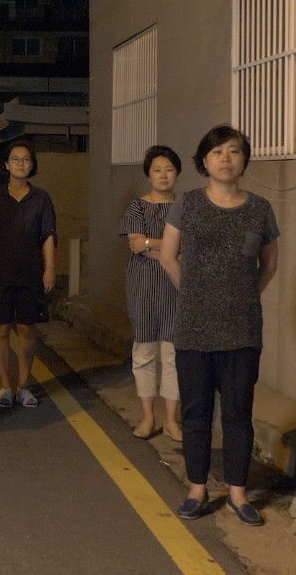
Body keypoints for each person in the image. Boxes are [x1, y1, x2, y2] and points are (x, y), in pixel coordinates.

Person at [159, 125, 279, 526]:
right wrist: (196, 294)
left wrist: (244, 295)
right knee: (196, 414)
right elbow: (168, 256)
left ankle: (238, 493)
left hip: (242, 329)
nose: (226, 158)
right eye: (217, 152)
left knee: (238, 414)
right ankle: (197, 489)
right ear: (204, 161)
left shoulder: (260, 208)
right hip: (194, 328)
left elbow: (270, 264)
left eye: (233, 151)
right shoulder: (188, 204)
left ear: (244, 159)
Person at [0, 139, 56, 408]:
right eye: (15, 159)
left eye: (26, 159)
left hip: (31, 271)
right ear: (6, 164)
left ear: (32, 165)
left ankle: (24, 386)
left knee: (26, 328)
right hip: (0, 271)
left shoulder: (41, 198)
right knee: (1, 328)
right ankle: (5, 386)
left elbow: (48, 236)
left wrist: (50, 269)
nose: (21, 164)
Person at [119, 144, 182, 441]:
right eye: (157, 170)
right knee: (144, 351)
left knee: (173, 353)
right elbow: (135, 244)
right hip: (143, 285)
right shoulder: (137, 206)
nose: (163, 174)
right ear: (148, 175)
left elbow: (189, 244)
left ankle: (171, 420)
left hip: (177, 285)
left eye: (169, 169)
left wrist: (151, 244)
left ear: (177, 173)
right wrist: (172, 249)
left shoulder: (185, 206)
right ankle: (147, 418)